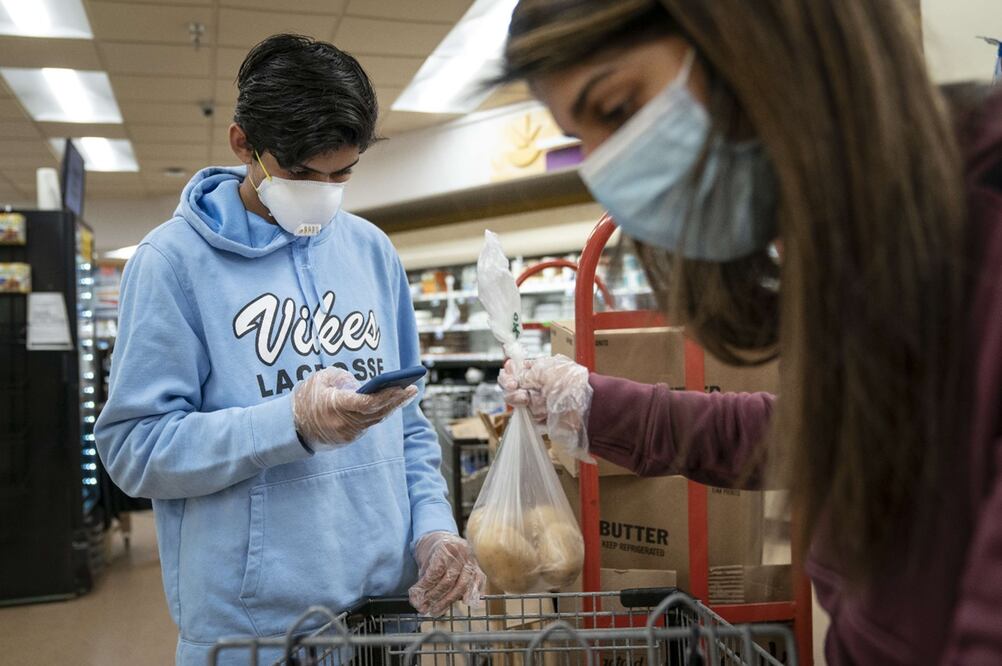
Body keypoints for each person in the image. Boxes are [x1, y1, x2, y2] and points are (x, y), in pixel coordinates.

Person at [495, 1, 1002, 663]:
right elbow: (819, 435)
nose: (607, 172)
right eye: (582, 138)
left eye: (618, 109)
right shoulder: (865, 247)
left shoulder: (978, 232)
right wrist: (596, 407)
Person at [95, 34, 483, 665]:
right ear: (243, 143)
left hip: (386, 621)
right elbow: (134, 450)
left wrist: (433, 529)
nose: (323, 192)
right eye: (302, 173)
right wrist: (290, 423)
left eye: (342, 175)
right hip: (258, 636)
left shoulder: (372, 252)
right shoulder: (172, 264)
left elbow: (407, 424)